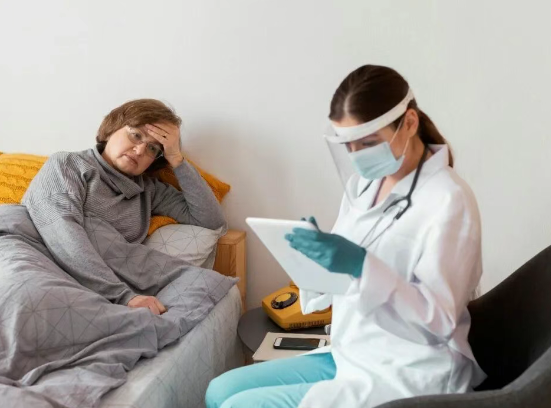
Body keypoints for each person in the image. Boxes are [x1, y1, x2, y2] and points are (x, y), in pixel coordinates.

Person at [205, 65, 486, 408]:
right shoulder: (365, 184)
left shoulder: (449, 200)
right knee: (218, 391)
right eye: (349, 145)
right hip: (352, 351)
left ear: (409, 123)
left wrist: (362, 266)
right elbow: (338, 278)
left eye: (368, 143)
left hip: (408, 368)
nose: (358, 156)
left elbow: (438, 321)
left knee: (237, 406)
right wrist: (312, 257)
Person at [22, 99, 226, 315]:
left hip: (95, 289)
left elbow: (210, 220)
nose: (139, 150)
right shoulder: (68, 164)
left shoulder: (149, 191)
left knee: (212, 288)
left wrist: (176, 158)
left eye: (152, 148)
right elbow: (61, 231)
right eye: (136, 135)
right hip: (38, 263)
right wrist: (122, 296)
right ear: (112, 129)